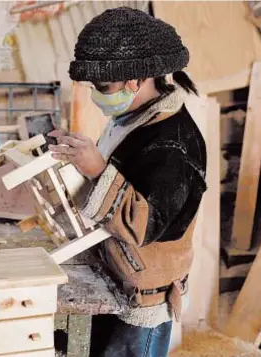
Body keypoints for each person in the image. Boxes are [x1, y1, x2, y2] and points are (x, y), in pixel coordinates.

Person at [48, 7, 207, 357]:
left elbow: (144, 224)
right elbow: (117, 173)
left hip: (143, 297)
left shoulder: (173, 144)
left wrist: (95, 171)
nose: (96, 94)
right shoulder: (132, 118)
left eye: (103, 86)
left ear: (135, 80)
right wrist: (77, 156)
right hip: (115, 274)